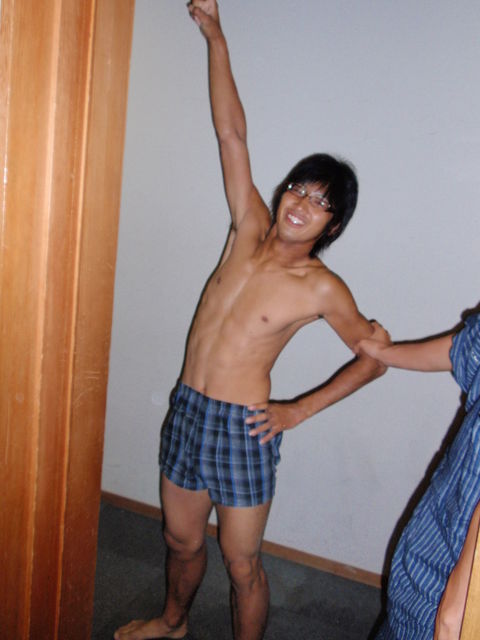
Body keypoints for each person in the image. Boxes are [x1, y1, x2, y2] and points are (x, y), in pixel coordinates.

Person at [114, 2, 388, 639]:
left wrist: (297, 411)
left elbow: (373, 359)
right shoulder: (246, 226)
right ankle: (173, 622)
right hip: (188, 408)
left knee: (242, 565)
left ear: (332, 227)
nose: (302, 204)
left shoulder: (320, 286)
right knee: (180, 541)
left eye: (321, 204)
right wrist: (215, 34)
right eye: (299, 189)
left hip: (243, 427)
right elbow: (231, 134)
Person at [357, 313, 480, 640]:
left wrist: (452, 619)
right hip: (423, 563)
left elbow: (454, 616)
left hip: (453, 610)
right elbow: (464, 349)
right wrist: (384, 353)